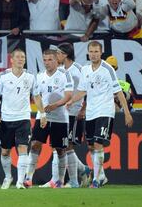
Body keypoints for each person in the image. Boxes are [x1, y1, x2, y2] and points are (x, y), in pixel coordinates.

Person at [66, 41, 133, 188]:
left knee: (97, 144)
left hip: (105, 110)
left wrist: (127, 112)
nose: (94, 54)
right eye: (91, 51)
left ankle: (96, 180)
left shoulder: (108, 69)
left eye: (96, 51)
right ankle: (102, 176)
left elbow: (118, 92)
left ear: (101, 53)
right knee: (90, 146)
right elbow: (83, 90)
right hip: (91, 112)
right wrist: (71, 101)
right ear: (88, 53)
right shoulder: (85, 70)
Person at [39, 43, 90, 188]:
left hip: (74, 111)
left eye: (59, 53)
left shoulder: (79, 69)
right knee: (59, 146)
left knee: (67, 146)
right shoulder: (60, 70)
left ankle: (73, 180)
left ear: (65, 54)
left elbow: (85, 90)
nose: (56, 56)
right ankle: (59, 179)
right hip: (61, 113)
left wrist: (83, 109)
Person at [24, 49, 73, 188]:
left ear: (57, 60)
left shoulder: (65, 74)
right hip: (43, 117)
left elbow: (68, 96)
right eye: (44, 60)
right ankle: (28, 178)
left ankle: (60, 181)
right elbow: (36, 96)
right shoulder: (39, 76)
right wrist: (43, 112)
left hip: (60, 118)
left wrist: (54, 105)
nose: (47, 63)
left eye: (50, 59)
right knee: (35, 144)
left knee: (60, 149)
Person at [0, 49, 35, 189]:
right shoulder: (2, 76)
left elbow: (37, 96)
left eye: (23, 57)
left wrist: (43, 113)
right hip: (7, 119)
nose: (20, 59)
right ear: (12, 59)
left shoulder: (30, 76)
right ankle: (8, 177)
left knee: (23, 148)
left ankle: (20, 181)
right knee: (5, 151)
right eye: (18, 57)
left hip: (23, 117)